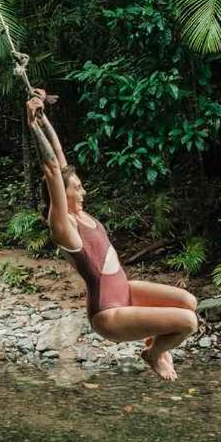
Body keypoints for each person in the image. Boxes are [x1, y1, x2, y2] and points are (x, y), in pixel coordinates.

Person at [26, 90, 198, 380]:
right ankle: (153, 353)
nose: (83, 191)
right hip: (109, 313)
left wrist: (42, 117)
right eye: (76, 188)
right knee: (188, 322)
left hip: (126, 290)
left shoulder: (79, 213)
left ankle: (154, 339)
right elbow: (52, 168)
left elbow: (59, 159)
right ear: (59, 193)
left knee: (189, 302)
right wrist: (30, 124)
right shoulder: (63, 225)